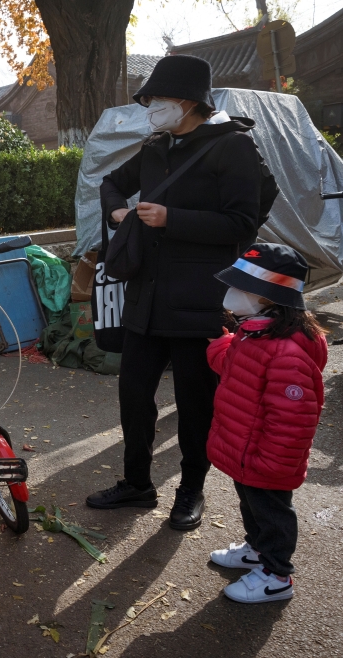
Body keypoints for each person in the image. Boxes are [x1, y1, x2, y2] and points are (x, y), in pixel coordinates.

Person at [86, 54, 263, 530]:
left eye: (157, 101)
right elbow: (110, 183)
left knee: (195, 402)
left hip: (199, 299)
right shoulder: (156, 147)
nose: (151, 109)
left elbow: (242, 224)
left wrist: (171, 219)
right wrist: (117, 213)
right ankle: (137, 484)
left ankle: (191, 491)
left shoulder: (233, 148)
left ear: (186, 102)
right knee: (134, 395)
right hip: (146, 296)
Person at [205, 243, 328, 603]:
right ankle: (256, 551)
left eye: (242, 288)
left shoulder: (286, 353)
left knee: (273, 515)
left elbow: (294, 420)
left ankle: (277, 576)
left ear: (269, 297)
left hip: (266, 460)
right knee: (251, 505)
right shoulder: (254, 331)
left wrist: (271, 463)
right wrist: (222, 342)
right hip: (247, 453)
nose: (231, 294)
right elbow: (237, 370)